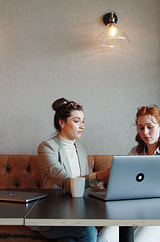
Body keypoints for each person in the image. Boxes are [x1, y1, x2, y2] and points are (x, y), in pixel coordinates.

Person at [97, 105, 160, 242]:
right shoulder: (135, 152)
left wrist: (144, 186)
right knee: (104, 238)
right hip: (133, 213)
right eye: (141, 128)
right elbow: (122, 179)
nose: (145, 132)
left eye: (150, 127)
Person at [36, 98, 109, 242]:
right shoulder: (46, 148)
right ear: (62, 122)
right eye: (76, 121)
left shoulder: (82, 148)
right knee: (88, 230)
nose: (82, 126)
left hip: (78, 211)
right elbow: (66, 182)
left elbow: (83, 185)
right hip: (54, 213)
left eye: (83, 121)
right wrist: (102, 175)